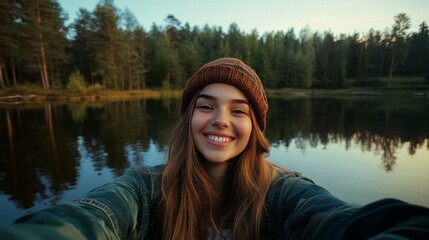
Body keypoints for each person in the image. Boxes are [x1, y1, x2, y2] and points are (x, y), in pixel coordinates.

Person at [1, 58, 429, 240]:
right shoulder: (146, 187)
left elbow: (340, 221)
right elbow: (93, 219)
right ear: (189, 118)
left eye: (238, 111)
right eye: (206, 106)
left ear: (254, 128)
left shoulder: (282, 191)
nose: (222, 119)